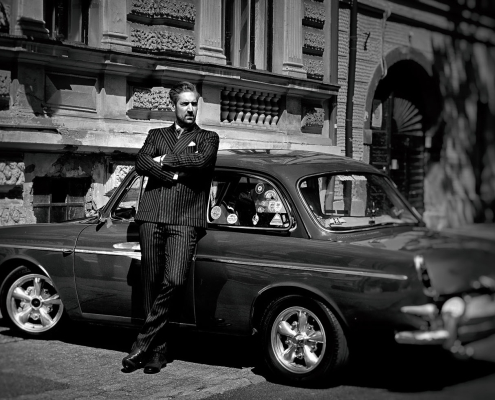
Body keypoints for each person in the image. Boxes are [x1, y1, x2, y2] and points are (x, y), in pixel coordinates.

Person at [122, 81, 219, 374]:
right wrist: (174, 174)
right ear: (173, 105)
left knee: (174, 281)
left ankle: (141, 341)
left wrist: (163, 160)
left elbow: (201, 162)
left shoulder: (208, 137)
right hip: (152, 215)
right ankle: (157, 351)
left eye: (194, 104)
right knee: (150, 283)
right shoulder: (156, 134)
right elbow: (141, 162)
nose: (190, 109)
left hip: (185, 219)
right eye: (184, 104)